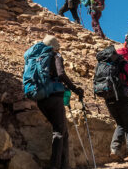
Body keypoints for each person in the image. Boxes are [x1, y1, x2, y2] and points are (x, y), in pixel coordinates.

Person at [36, 35, 84, 169]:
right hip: (54, 97)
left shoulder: (36, 58)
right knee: (59, 131)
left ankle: (64, 164)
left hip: (40, 98)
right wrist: (75, 89)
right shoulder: (55, 55)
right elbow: (61, 74)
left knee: (63, 131)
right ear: (55, 46)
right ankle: (56, 166)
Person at [101, 45, 128, 164]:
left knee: (120, 123)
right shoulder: (124, 63)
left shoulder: (104, 64)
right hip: (123, 98)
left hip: (108, 98)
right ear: (125, 55)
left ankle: (115, 148)